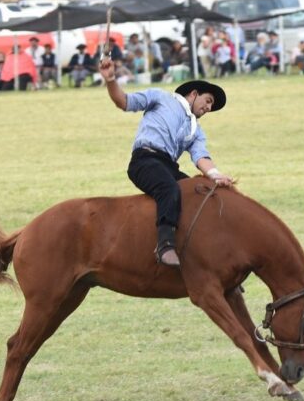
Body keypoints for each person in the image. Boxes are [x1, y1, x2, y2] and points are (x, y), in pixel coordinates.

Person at [98, 59, 233, 266]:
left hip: (169, 166)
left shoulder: (196, 130)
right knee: (169, 189)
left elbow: (201, 157)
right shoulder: (161, 97)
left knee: (198, 194)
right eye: (207, 100)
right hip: (145, 159)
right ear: (194, 93)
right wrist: (110, 80)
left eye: (211, 106)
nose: (208, 107)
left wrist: (215, 175)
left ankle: (202, 251)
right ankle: (165, 245)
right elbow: (123, 101)